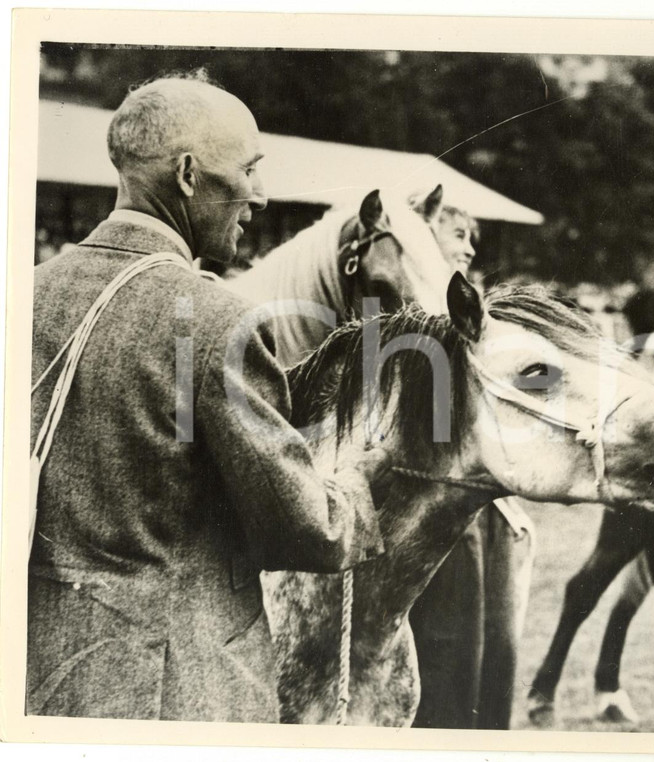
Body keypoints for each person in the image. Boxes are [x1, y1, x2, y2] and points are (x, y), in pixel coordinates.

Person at [28, 71, 386, 722]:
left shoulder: (24, 293)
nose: (259, 194)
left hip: (33, 676)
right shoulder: (216, 320)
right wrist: (364, 481)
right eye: (249, 169)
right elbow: (308, 532)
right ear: (190, 175)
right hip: (178, 693)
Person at [407, 201, 536, 730]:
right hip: (440, 503)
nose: (468, 245)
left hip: (485, 504)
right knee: (449, 645)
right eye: (456, 232)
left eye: (472, 236)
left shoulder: (467, 311)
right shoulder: (413, 315)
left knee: (493, 643)